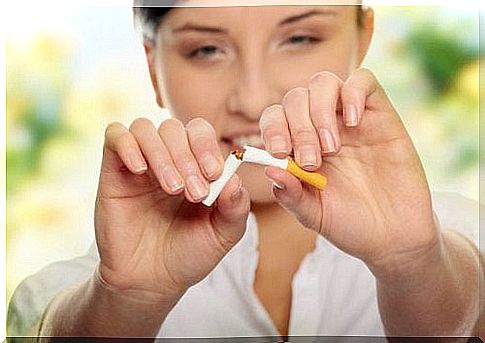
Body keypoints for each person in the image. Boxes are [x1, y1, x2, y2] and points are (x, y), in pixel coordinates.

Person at [7, 1, 483, 340]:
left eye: (299, 38)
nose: (253, 100)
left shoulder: (462, 238)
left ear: (363, 40)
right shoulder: (78, 294)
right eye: (207, 50)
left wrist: (414, 265)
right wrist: (127, 301)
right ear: (153, 68)